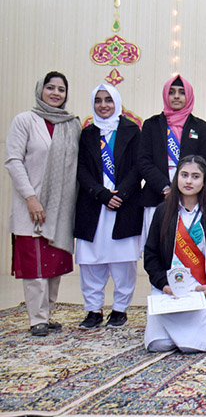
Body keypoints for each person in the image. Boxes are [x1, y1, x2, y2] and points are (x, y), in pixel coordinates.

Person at [5, 72, 81, 336]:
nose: (56, 93)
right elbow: (13, 161)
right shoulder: (25, 120)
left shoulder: (71, 124)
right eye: (50, 88)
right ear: (40, 90)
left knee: (54, 264)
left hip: (61, 207)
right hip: (32, 206)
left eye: (61, 89)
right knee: (34, 264)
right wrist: (31, 198)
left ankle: (47, 314)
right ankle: (36, 318)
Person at [143, 155, 206, 352]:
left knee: (191, 347)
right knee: (158, 345)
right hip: (170, 290)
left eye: (195, 176)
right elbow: (150, 254)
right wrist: (163, 283)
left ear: (204, 181)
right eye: (184, 175)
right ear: (177, 177)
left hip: (201, 290)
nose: (188, 181)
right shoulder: (162, 211)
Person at [74, 83, 143, 329]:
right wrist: (101, 194)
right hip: (93, 203)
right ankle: (93, 310)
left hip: (125, 204)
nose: (103, 105)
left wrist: (121, 194)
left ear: (117, 102)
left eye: (109, 100)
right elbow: (80, 169)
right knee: (91, 260)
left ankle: (120, 309)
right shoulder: (87, 133)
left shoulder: (132, 130)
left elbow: (138, 166)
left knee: (123, 260)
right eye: (99, 100)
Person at [140, 75, 206, 243]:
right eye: (171, 92)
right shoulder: (151, 125)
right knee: (158, 249)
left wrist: (186, 186)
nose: (176, 96)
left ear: (188, 96)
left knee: (190, 249)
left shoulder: (200, 126)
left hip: (191, 198)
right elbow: (143, 161)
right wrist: (166, 188)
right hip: (157, 195)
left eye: (181, 92)